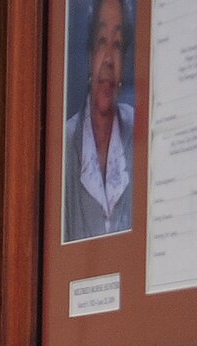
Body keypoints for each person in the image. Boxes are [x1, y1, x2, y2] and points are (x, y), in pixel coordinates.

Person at [62, 0, 135, 240]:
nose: (109, 60)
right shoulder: (65, 143)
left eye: (117, 45)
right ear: (90, 53)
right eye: (102, 41)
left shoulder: (140, 132)